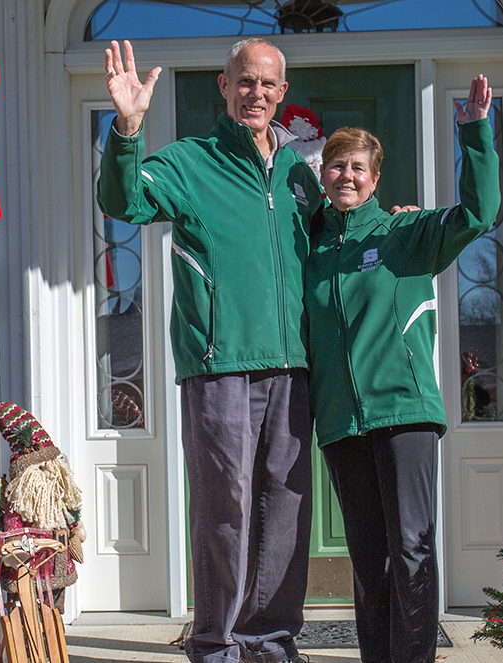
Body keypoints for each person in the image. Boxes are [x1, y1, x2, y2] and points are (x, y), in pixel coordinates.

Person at [96, 38, 323, 663]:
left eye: (269, 85)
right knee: (226, 509)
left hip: (293, 368)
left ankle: (270, 640)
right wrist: (127, 128)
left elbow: (340, 240)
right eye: (245, 82)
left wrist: (396, 218)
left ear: (283, 93)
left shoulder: (301, 174)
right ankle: (216, 643)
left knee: (285, 513)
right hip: (220, 368)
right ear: (224, 86)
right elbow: (124, 201)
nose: (257, 94)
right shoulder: (191, 163)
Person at [304, 75, 501, 663]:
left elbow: (479, 212)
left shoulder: (403, 233)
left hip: (404, 413)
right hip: (341, 423)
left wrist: (475, 133)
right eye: (337, 165)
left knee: (412, 546)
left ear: (375, 178)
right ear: (323, 174)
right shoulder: (309, 249)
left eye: (358, 167)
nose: (346, 175)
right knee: (368, 557)